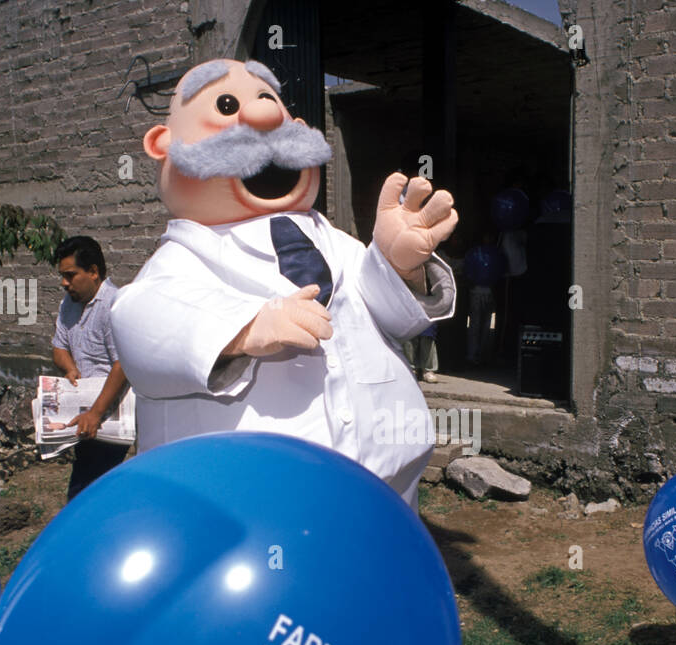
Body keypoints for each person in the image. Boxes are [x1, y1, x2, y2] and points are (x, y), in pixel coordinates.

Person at [109, 59, 458, 510]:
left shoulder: (332, 240)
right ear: (165, 145)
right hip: (252, 509)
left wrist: (398, 265)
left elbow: (390, 317)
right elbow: (140, 319)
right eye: (229, 105)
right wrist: (243, 327)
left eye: (268, 100)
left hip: (385, 492)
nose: (264, 117)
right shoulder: (185, 258)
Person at [51, 236, 130, 501]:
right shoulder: (68, 304)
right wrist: (69, 367)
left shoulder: (114, 305)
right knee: (90, 486)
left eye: (71, 275)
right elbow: (59, 347)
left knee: (87, 490)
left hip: (108, 413)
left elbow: (123, 363)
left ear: (93, 272)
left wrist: (96, 413)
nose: (65, 283)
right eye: (62, 276)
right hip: (84, 411)